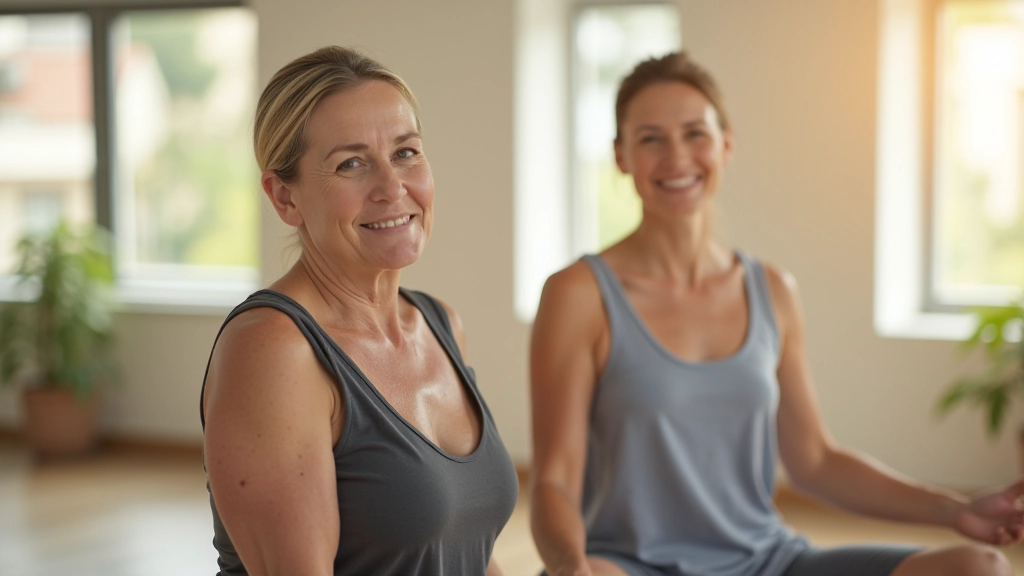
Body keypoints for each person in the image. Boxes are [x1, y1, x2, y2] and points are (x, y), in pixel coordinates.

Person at [529, 51, 1024, 576]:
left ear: (726, 144)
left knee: (981, 567)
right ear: (621, 155)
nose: (676, 157)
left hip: (767, 562)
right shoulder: (578, 294)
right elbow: (554, 479)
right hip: (629, 566)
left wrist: (958, 510)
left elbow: (814, 461)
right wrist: (571, 568)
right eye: (650, 138)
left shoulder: (772, 290)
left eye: (695, 133)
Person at [200, 46, 518, 576]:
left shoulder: (439, 324)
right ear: (285, 198)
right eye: (351, 164)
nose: (392, 187)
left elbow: (469, 558)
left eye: (406, 153)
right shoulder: (274, 350)